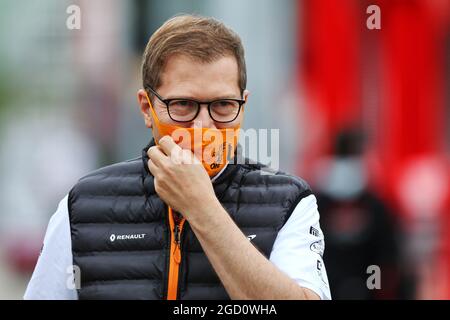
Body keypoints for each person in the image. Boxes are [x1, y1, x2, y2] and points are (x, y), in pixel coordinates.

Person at [24, 14, 330, 300]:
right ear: (147, 108)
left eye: (223, 105)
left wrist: (201, 207)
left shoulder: (289, 201)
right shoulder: (82, 205)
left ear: (243, 106)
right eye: (183, 105)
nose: (203, 125)